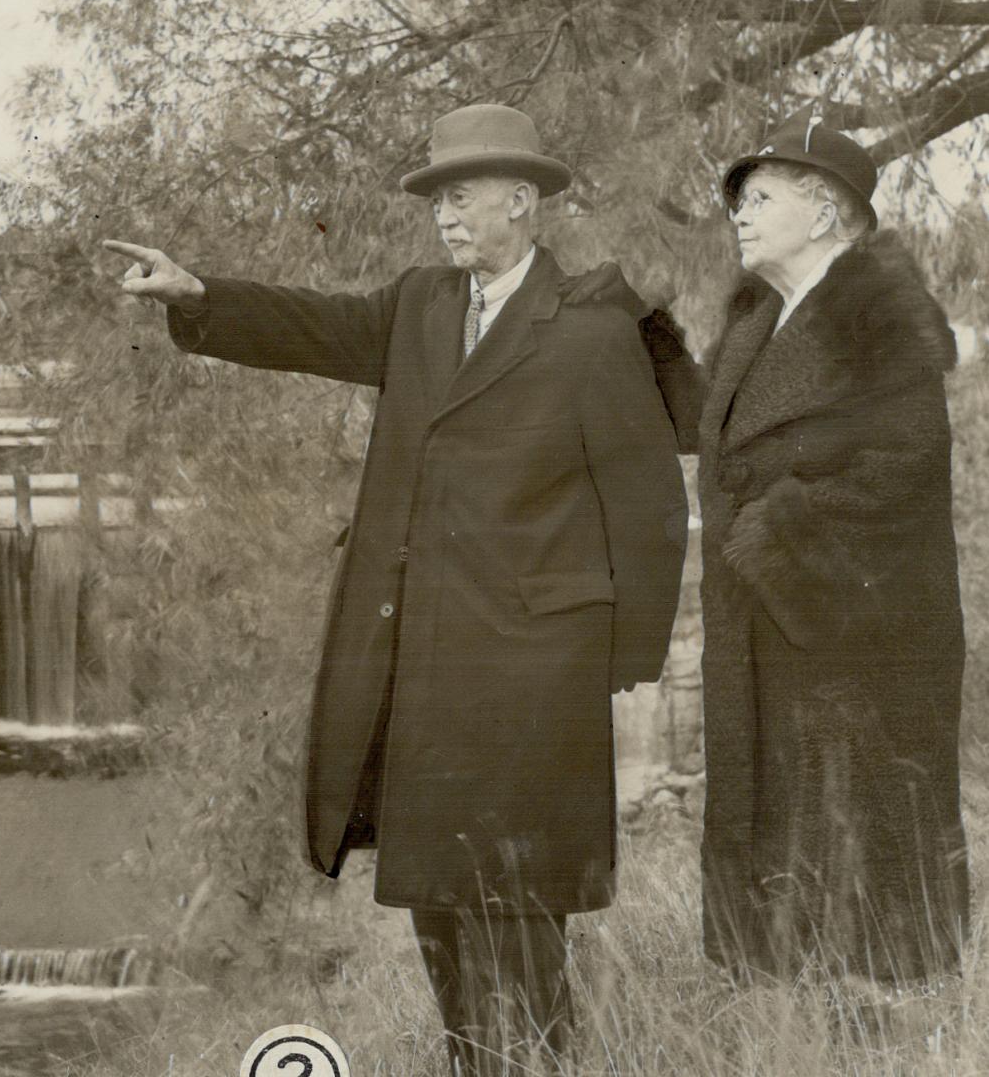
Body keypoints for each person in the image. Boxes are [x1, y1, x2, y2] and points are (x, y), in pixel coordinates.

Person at [105, 103, 688, 1072]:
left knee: (519, 901)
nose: (445, 218)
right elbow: (317, 325)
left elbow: (651, 505)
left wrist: (625, 659)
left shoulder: (589, 332)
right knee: (437, 899)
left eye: (462, 198)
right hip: (422, 665)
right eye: (436, 201)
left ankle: (539, 1065)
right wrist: (199, 293)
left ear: (523, 201)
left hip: (535, 677)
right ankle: (471, 1063)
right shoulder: (421, 306)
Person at [602, 108, 969, 990]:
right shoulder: (758, 321)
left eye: (758, 197)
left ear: (827, 211)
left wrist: (779, 536)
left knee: (858, 847)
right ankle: (783, 1012)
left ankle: (880, 1018)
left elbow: (907, 462)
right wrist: (651, 342)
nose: (738, 213)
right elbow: (728, 439)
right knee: (776, 833)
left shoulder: (883, 318)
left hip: (856, 642)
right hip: (763, 631)